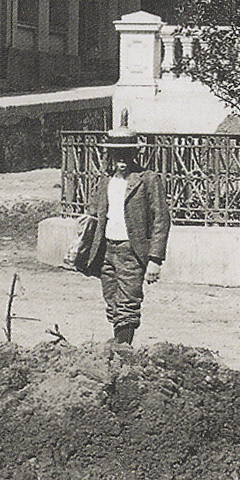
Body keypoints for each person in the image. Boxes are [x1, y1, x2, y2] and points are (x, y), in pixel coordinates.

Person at [80, 139, 171, 348]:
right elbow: (95, 211)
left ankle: (122, 351)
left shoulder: (147, 179)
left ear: (134, 154)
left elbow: (161, 219)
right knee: (112, 302)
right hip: (106, 250)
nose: (122, 159)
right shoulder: (106, 180)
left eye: (127, 153)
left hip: (132, 251)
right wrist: (86, 222)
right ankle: (119, 347)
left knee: (128, 305)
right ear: (110, 155)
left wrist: (155, 259)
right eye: (117, 153)